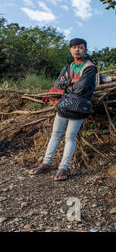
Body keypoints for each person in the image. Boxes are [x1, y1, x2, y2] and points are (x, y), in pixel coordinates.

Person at [29, 38, 97, 181]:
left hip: (79, 106)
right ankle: (46, 163)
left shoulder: (90, 67)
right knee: (55, 134)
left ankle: (63, 168)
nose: (77, 50)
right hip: (64, 104)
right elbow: (57, 84)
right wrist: (72, 81)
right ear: (70, 50)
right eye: (74, 47)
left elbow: (82, 87)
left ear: (85, 50)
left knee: (70, 137)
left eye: (80, 47)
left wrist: (67, 85)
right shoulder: (67, 68)